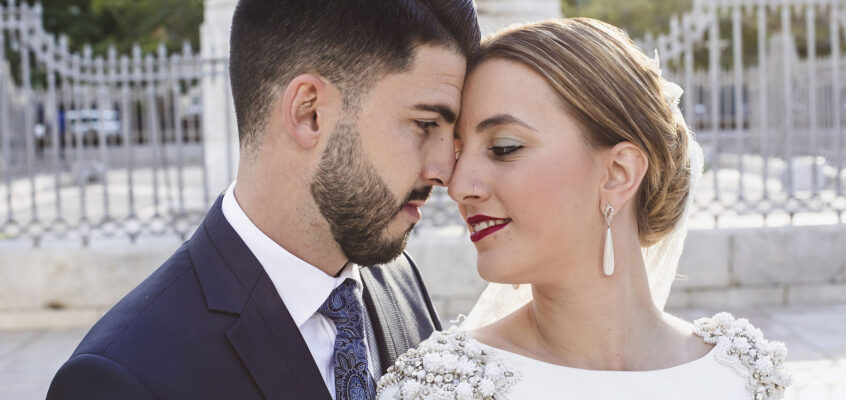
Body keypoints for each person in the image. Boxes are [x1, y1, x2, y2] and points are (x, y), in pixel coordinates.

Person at [47, 1, 479, 399]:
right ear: (309, 112)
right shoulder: (120, 377)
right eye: (425, 124)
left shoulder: (399, 279)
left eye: (453, 134)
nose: (446, 171)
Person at [376, 18, 792, 400]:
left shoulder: (743, 376)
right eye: (459, 153)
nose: (458, 187)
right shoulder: (439, 386)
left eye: (504, 147)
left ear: (618, 173)